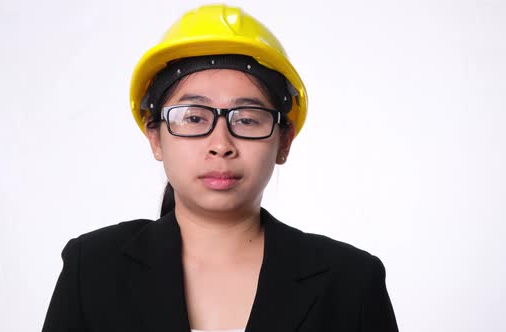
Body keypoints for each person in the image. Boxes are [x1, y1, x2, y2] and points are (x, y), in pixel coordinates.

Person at [42, 4, 399, 332]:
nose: (221, 144)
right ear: (156, 138)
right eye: (194, 117)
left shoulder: (351, 281)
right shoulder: (93, 268)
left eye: (247, 119)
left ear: (283, 141)